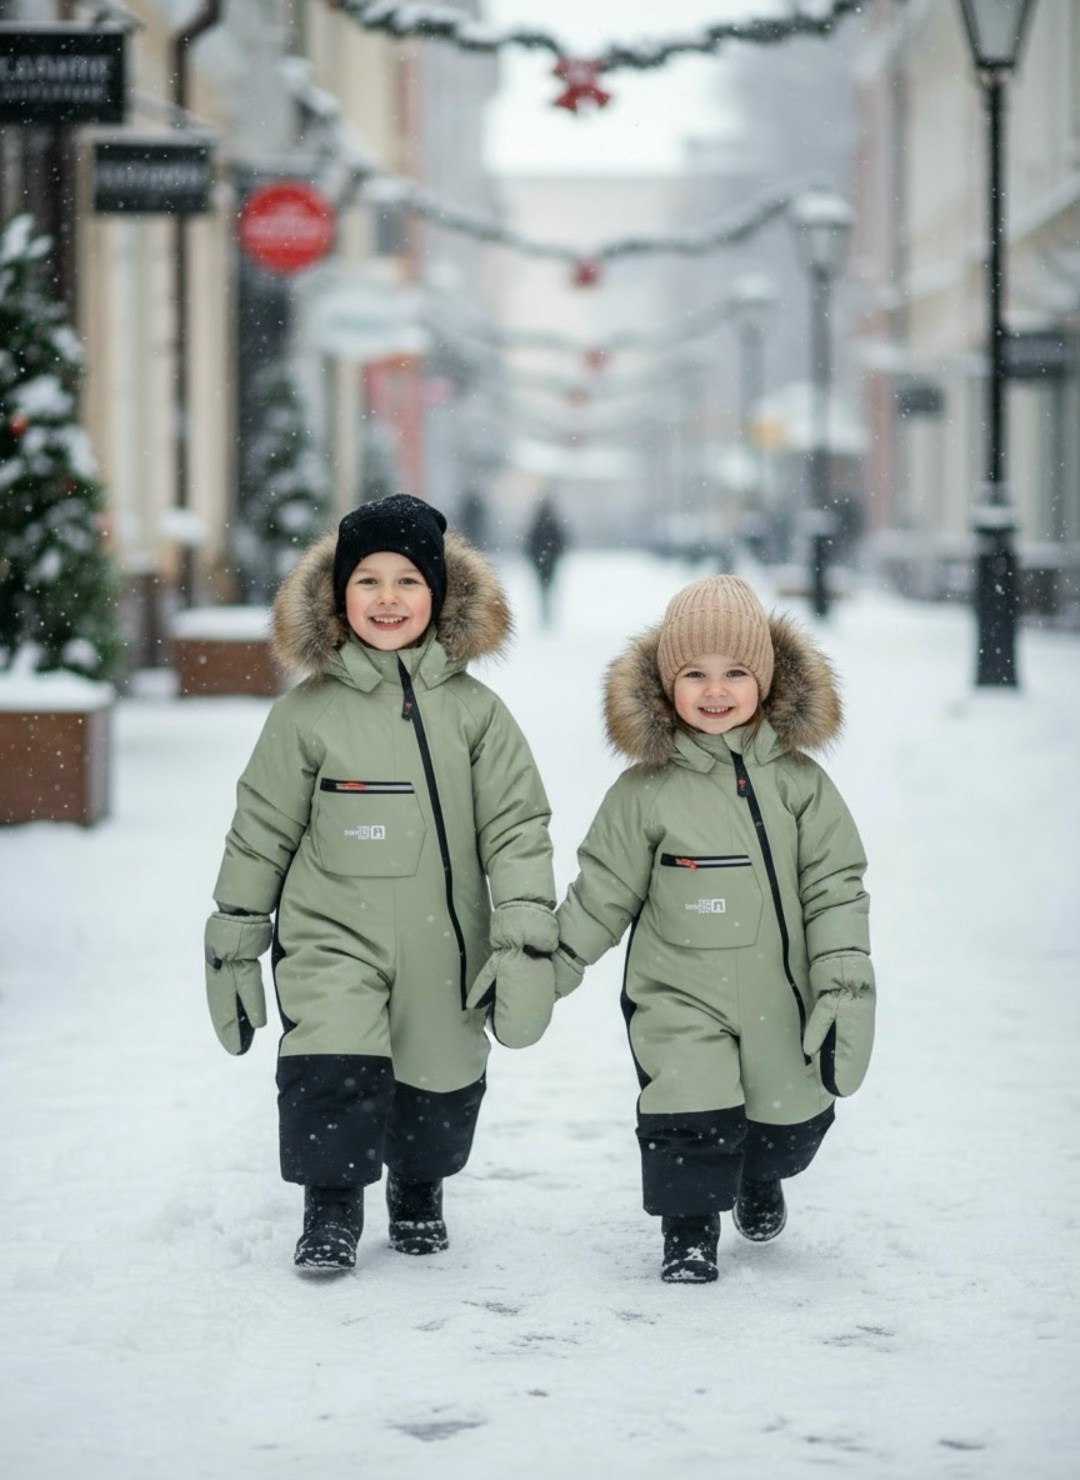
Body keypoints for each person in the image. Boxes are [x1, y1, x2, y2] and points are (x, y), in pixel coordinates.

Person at [204, 494, 558, 1273]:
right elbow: (261, 825)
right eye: (368, 581)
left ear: (439, 595)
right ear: (337, 597)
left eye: (408, 581)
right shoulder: (306, 715)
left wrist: (525, 925)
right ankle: (330, 1208)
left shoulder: (476, 714)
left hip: (445, 939)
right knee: (329, 1059)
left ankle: (419, 1186)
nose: (388, 599)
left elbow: (516, 825)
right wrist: (235, 931)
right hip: (331, 933)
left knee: (440, 1074)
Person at [552, 575, 874, 1284]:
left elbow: (835, 884)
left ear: (766, 681)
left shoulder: (799, 784)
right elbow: (603, 888)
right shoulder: (645, 791)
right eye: (693, 674)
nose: (714, 690)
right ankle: (688, 1231)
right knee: (688, 1106)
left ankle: (760, 1176)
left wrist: (843, 974)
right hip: (678, 993)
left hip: (778, 995)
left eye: (735, 673)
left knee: (788, 1122)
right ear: (667, 686)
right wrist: (549, 963)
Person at [524, 496, 568, 628]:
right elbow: (561, 543)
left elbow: (530, 544)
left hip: (541, 562)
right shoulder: (553, 525)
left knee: (543, 589)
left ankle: (545, 613)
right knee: (548, 588)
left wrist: (534, 557)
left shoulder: (537, 524)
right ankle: (547, 613)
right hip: (548, 561)